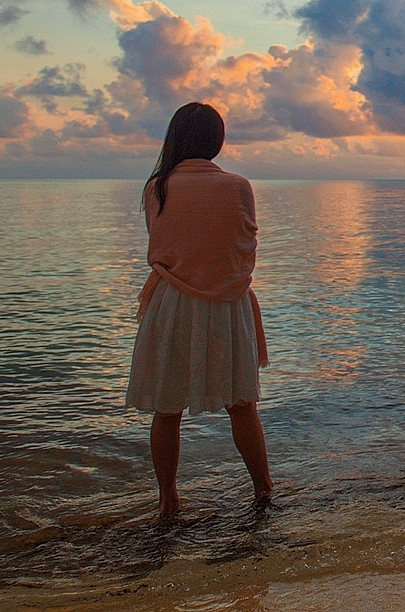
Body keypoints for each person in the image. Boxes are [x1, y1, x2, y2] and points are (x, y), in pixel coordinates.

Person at [125, 101, 272, 517]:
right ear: (217, 140)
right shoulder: (238, 185)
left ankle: (167, 499)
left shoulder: (158, 187)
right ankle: (263, 488)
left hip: (171, 304)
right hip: (228, 302)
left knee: (166, 408)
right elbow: (244, 248)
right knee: (242, 404)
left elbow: (161, 249)